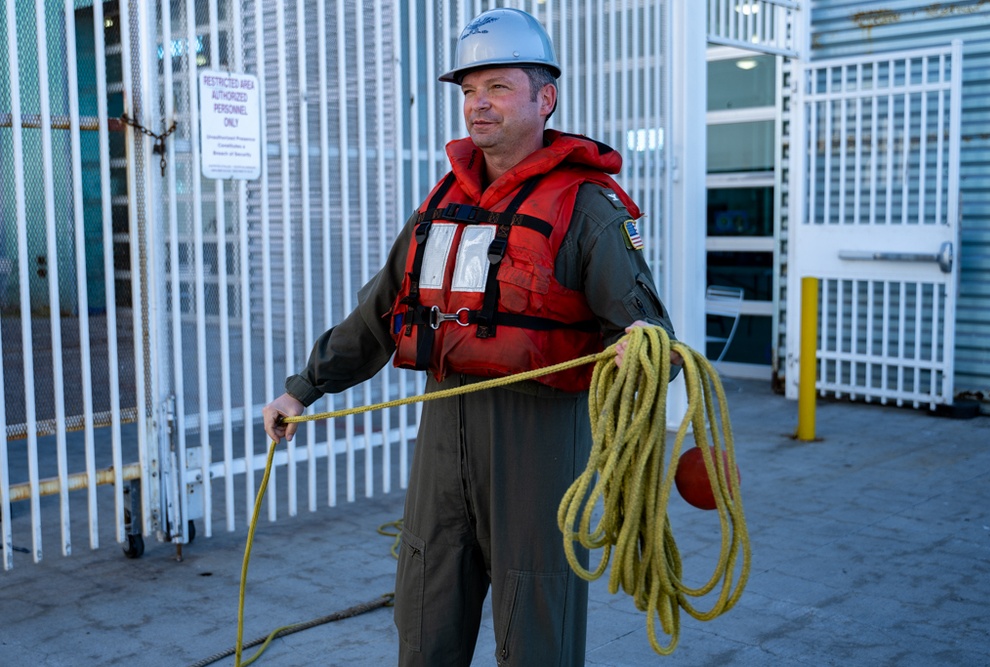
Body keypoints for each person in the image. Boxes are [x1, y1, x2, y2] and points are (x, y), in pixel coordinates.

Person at [263, 8, 679, 666]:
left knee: (536, 631)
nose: (478, 105)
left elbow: (653, 333)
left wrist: (639, 350)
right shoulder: (440, 205)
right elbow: (377, 314)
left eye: (498, 87)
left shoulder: (588, 206)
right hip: (443, 438)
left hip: (537, 448)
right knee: (425, 621)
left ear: (546, 98)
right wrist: (303, 388)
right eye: (467, 90)